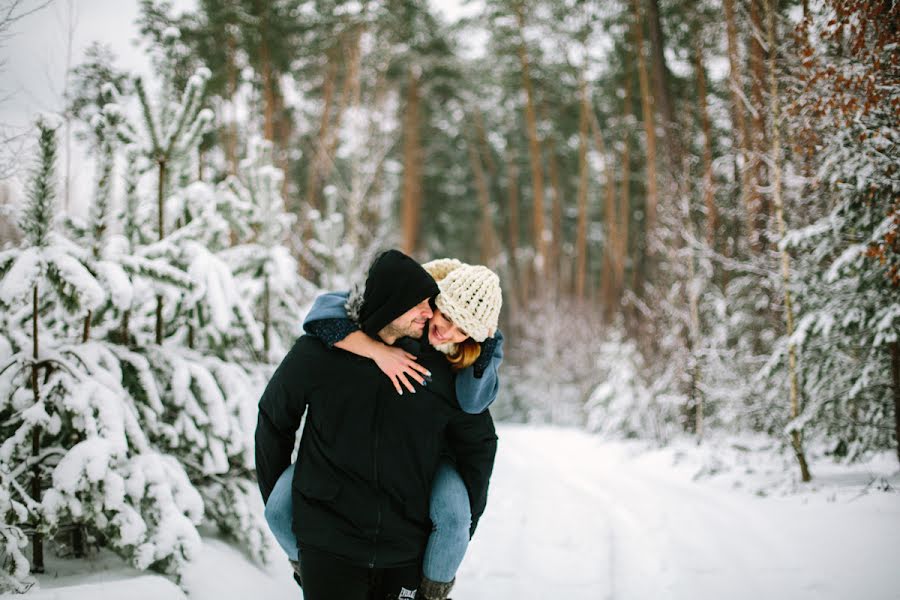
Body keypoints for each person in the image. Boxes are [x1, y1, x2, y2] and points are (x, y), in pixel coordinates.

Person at [255, 250, 499, 600]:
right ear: (395, 302)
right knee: (278, 508)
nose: (432, 316)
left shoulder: (441, 369)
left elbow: (478, 443)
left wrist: (462, 524)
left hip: (403, 553)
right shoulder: (318, 353)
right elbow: (273, 420)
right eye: (426, 305)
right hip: (327, 545)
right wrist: (298, 519)